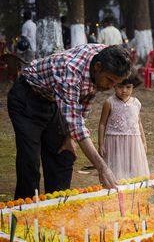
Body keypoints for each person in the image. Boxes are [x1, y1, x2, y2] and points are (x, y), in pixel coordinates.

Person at [7, 44, 132, 199]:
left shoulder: (106, 57)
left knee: (64, 154)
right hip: (27, 98)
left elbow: (85, 104)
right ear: (97, 66)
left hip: (53, 100)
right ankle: (25, 211)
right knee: (30, 160)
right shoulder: (70, 74)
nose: (111, 87)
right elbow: (77, 126)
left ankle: (58, 206)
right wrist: (103, 168)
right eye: (109, 81)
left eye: (116, 83)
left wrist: (69, 138)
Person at [98, 68, 149, 179]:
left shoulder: (136, 103)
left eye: (128, 87)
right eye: (120, 86)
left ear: (133, 86)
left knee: (133, 168)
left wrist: (143, 142)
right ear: (114, 85)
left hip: (133, 142)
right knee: (117, 169)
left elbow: (139, 123)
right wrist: (101, 144)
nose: (124, 90)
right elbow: (102, 123)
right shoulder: (109, 102)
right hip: (115, 143)